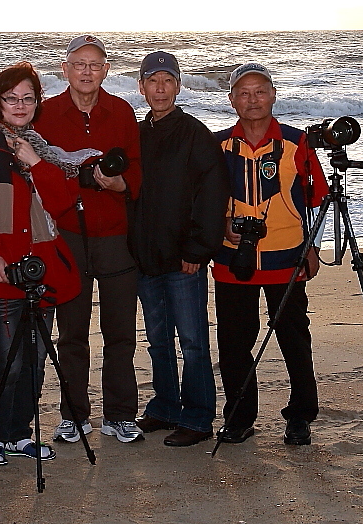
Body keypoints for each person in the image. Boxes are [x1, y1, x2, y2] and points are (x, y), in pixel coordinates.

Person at [0, 61, 81, 467]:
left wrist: (37, 163)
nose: (19, 105)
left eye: (28, 99)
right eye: (11, 98)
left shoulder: (45, 151)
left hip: (42, 270)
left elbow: (63, 205)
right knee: (9, 359)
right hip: (3, 272)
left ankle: (19, 435)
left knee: (37, 358)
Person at [32, 35, 144, 445]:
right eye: (79, 64)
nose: (86, 71)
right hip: (68, 236)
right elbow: (34, 171)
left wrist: (120, 184)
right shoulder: (45, 113)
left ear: (106, 70)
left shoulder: (122, 111)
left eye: (95, 65)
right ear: (65, 69)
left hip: (116, 236)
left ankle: (120, 415)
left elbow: (137, 168)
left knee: (121, 333)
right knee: (72, 334)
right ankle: (74, 415)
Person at [212, 63, 327, 446]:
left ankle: (301, 417)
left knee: (294, 340)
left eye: (260, 91)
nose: (253, 100)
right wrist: (221, 226)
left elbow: (318, 200)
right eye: (244, 93)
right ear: (232, 100)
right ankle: (239, 418)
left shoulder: (297, 142)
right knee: (233, 344)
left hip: (287, 258)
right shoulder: (218, 145)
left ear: (273, 95)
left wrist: (313, 247)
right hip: (233, 260)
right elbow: (204, 201)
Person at [127, 51, 227, 447]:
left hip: (185, 259)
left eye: (168, 80)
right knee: (158, 341)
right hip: (145, 257)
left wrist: (198, 250)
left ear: (178, 86)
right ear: (142, 87)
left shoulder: (195, 134)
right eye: (153, 81)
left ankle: (199, 417)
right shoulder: (136, 134)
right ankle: (166, 406)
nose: (160, 88)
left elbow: (213, 195)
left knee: (193, 341)